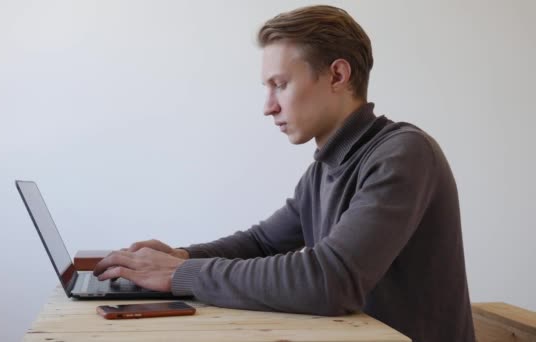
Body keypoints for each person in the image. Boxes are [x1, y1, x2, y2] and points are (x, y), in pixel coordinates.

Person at [93, 5, 476, 341]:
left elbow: (330, 280)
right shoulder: (322, 170)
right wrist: (179, 256)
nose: (268, 107)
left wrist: (181, 274)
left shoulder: (403, 153)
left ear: (337, 76)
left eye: (280, 85)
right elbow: (262, 242)